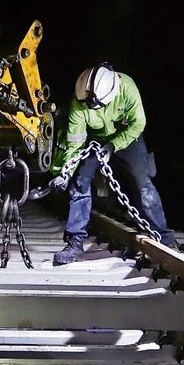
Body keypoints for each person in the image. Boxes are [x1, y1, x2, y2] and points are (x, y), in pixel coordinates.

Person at [51, 63, 175, 265]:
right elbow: (75, 141)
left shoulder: (127, 88)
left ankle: (165, 238)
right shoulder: (79, 101)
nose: (90, 108)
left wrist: (114, 145)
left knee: (141, 180)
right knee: (80, 182)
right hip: (94, 139)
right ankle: (74, 243)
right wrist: (66, 172)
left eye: (95, 106)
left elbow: (138, 124)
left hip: (126, 136)